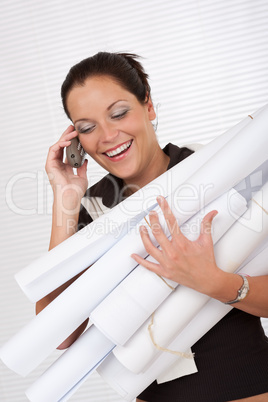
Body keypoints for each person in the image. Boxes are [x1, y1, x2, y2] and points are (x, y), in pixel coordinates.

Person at [36, 52, 268, 401]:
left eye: (118, 113)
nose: (108, 135)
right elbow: (59, 335)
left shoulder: (219, 170)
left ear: (148, 106)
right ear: (76, 142)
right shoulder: (92, 209)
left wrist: (216, 283)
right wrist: (66, 200)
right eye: (87, 127)